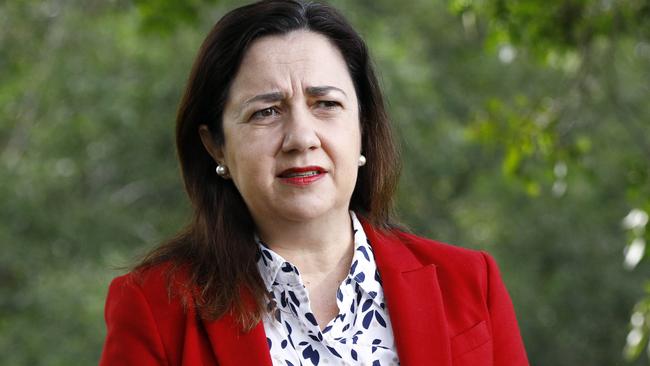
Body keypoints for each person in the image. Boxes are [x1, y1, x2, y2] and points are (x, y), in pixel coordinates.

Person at [99, 0, 529, 365]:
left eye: (325, 104)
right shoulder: (155, 305)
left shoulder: (470, 282)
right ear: (216, 146)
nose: (302, 137)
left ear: (362, 125)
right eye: (266, 111)